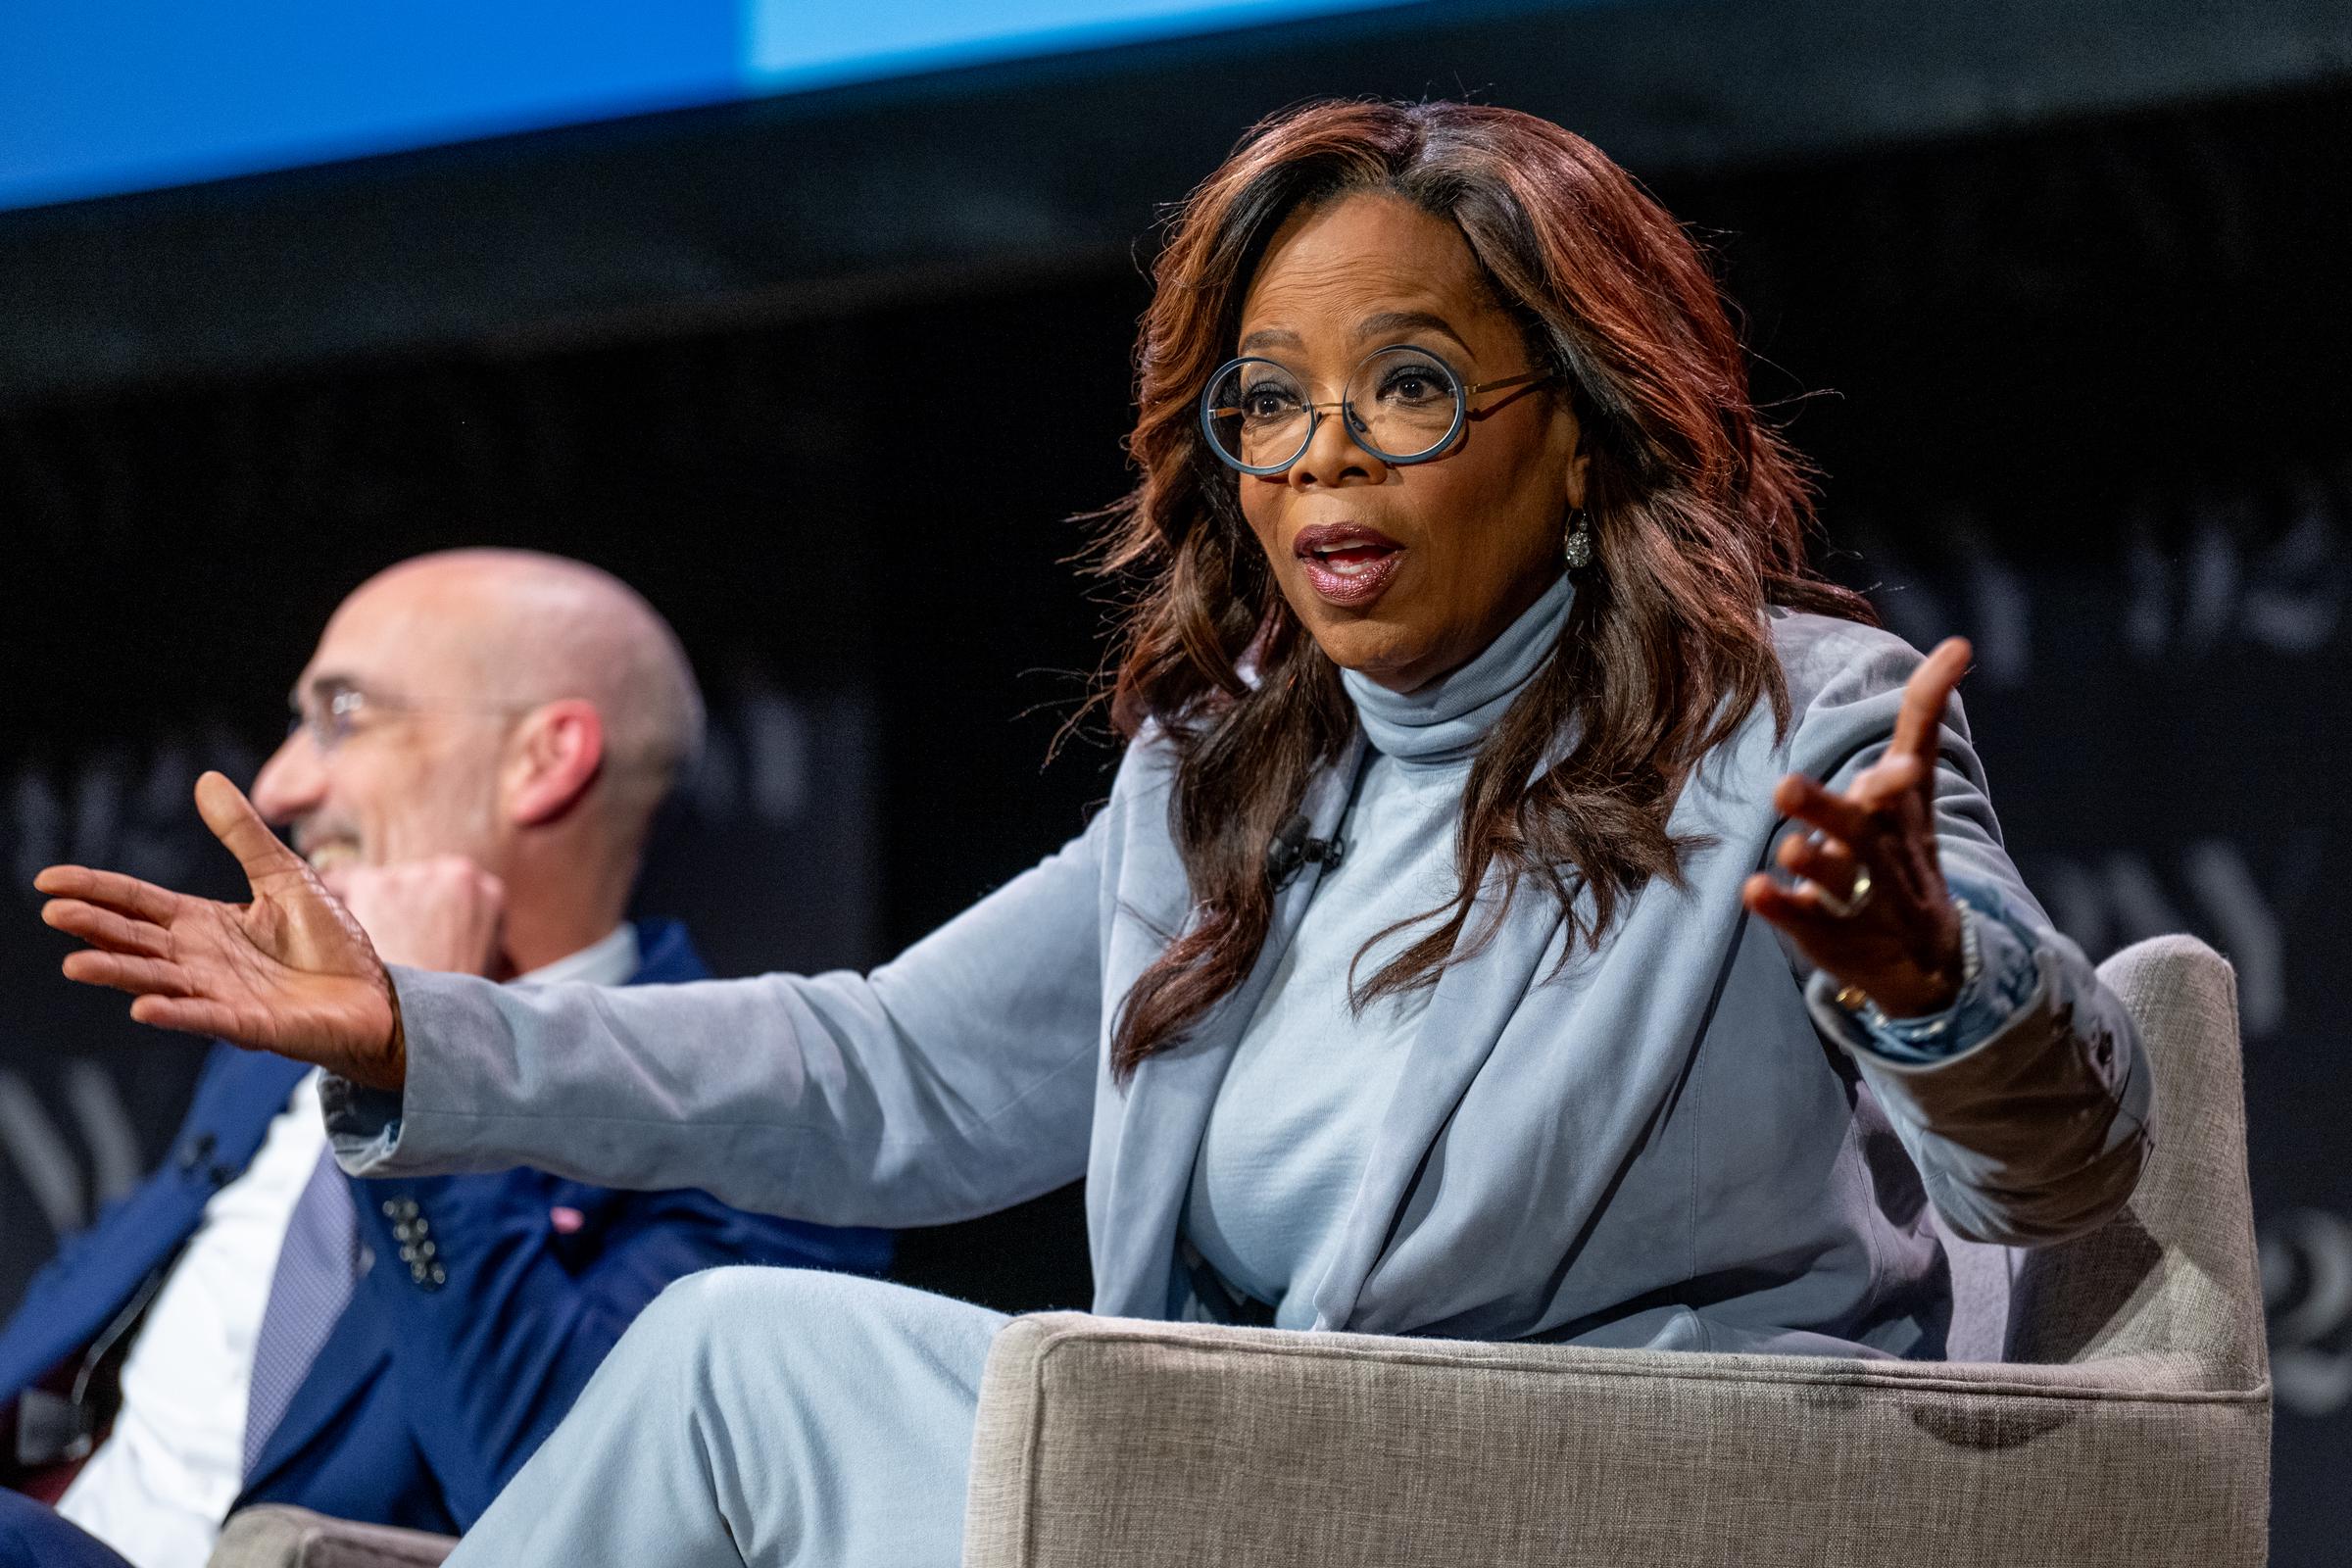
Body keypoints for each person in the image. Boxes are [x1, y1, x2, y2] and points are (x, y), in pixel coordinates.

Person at [33, 102, 2150, 1567]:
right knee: (733, 1369)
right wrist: (425, 1035)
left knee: (738, 1346)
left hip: (1584, 1493)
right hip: (1239, 1486)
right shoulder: (1237, 769)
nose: (1326, 457)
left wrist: (1931, 985)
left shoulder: (1801, 721)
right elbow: (888, 1069)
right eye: (1269, 400)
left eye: (1410, 388)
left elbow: (2055, 1170)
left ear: (1582, 428)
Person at [3, 551, 890, 1568]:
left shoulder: (760, 1111)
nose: (282, 783)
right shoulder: (260, 1058)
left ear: (543, 760)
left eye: (342, 714)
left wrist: (419, 1057)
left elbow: (577, 1519)